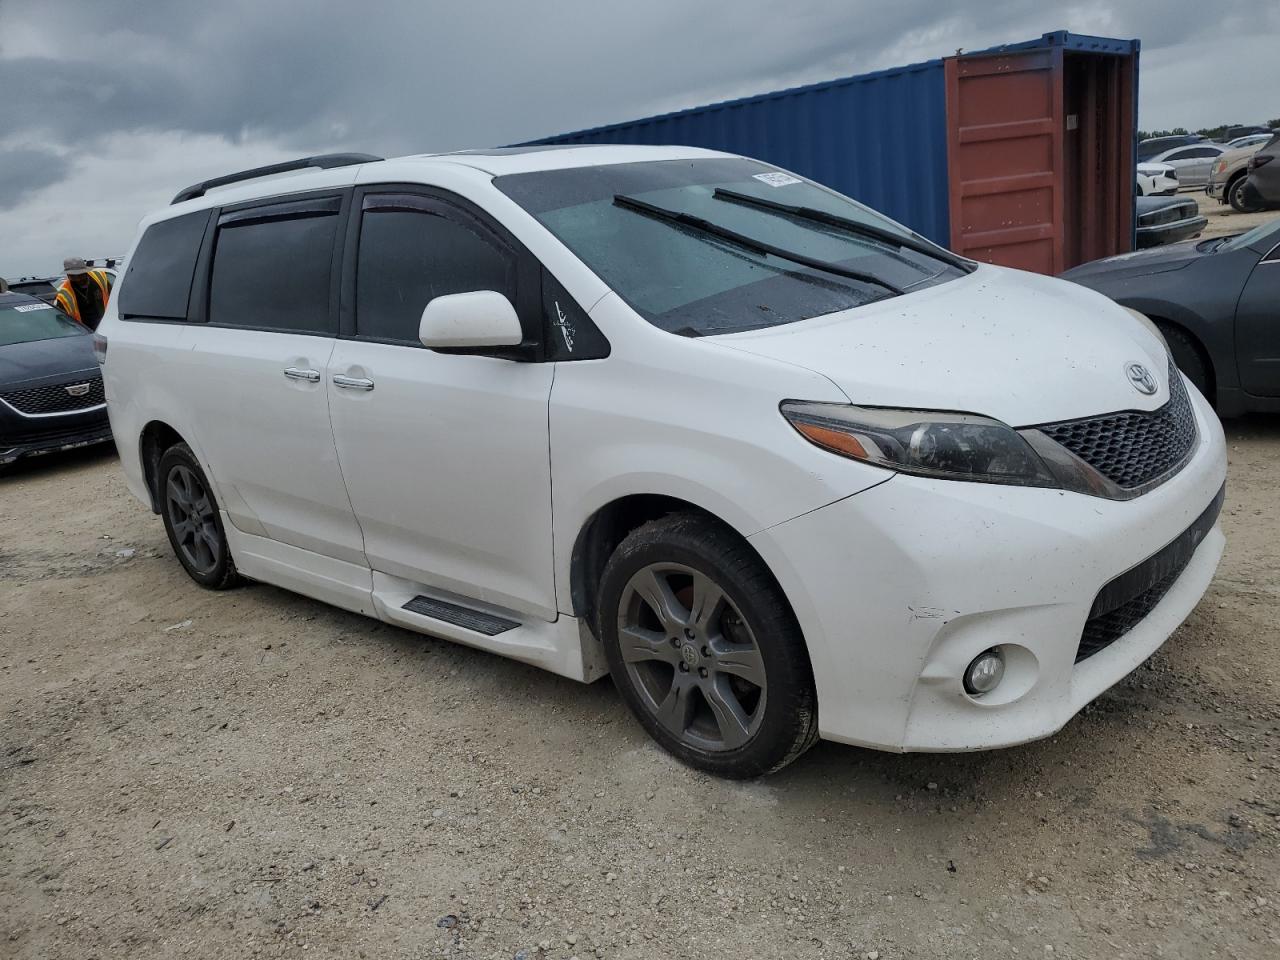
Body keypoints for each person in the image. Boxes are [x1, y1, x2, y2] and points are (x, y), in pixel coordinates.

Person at [55, 257, 114, 330]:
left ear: (85, 271)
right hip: (85, 333)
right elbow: (63, 322)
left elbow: (114, 297)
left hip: (107, 325)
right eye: (73, 276)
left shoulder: (100, 277)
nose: (78, 279)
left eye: (80, 275)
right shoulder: (64, 295)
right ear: (68, 275)